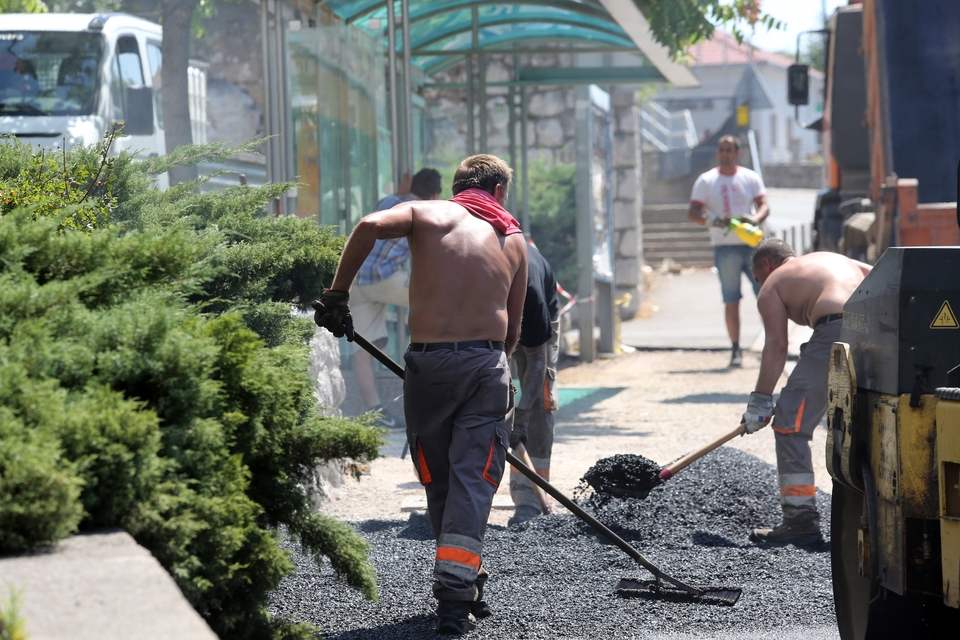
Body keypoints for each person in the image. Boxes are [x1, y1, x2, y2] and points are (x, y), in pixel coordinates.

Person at [314, 154, 527, 635]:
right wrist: (493, 374)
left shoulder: (427, 213)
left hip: (428, 367)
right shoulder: (513, 240)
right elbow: (512, 331)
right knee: (473, 477)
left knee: (439, 477)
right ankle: (456, 593)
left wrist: (336, 295)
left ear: (457, 188)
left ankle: (463, 575)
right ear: (497, 191)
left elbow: (368, 224)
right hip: (484, 364)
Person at [741, 239, 871, 545]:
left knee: (789, 424)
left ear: (766, 266)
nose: (760, 283)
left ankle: (800, 522)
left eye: (758, 277)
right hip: (877, 328)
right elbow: (881, 274)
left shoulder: (772, 284)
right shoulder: (834, 259)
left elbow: (776, 346)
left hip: (835, 330)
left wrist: (760, 401)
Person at [349, 168, 442, 428]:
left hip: (356, 280)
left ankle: (374, 411)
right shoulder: (422, 215)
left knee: (364, 348)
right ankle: (438, 385)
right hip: (384, 279)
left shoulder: (388, 201)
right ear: (435, 195)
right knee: (439, 304)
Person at [688, 135, 770, 367]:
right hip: (725, 248)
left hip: (752, 245)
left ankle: (771, 344)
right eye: (722, 150)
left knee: (765, 296)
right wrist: (712, 221)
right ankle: (735, 348)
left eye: (729, 150)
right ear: (718, 153)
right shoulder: (706, 180)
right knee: (731, 299)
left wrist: (753, 219)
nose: (725, 154)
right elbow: (693, 212)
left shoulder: (749, 177)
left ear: (737, 153)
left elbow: (764, 205)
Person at [508, 240, 560, 526]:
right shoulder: (472, 284)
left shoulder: (530, 293)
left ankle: (530, 499)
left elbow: (537, 362)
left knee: (539, 403)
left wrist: (522, 417)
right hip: (493, 328)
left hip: (535, 333)